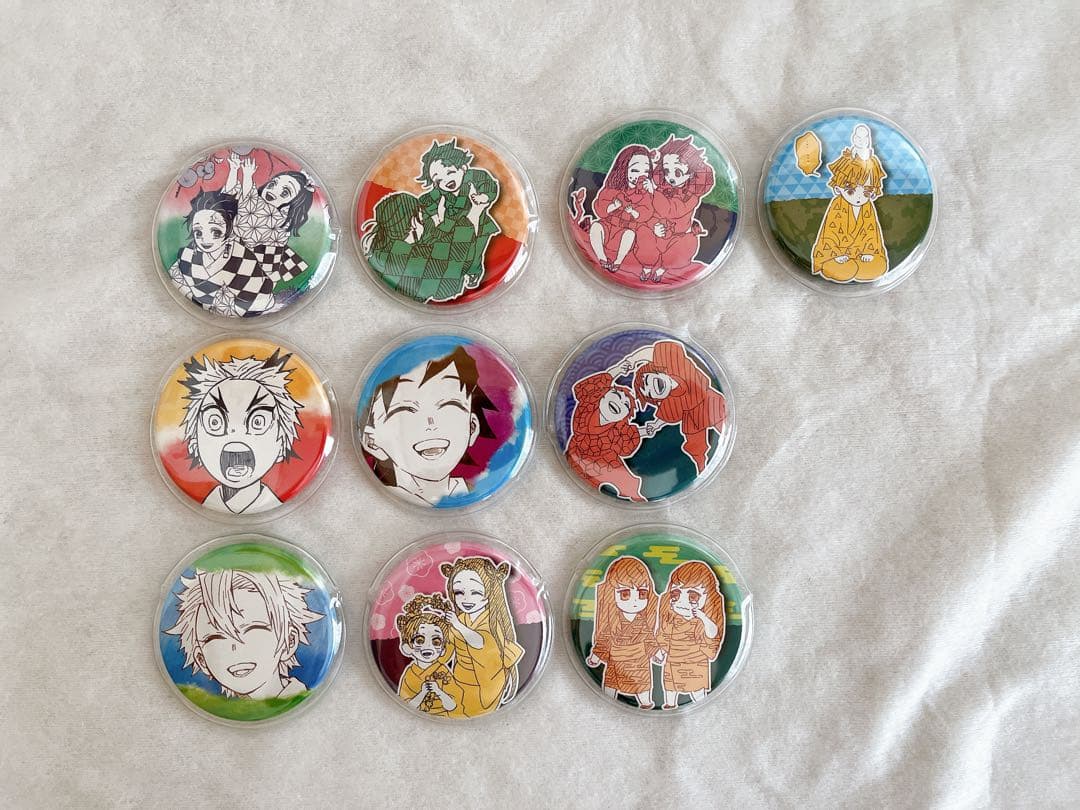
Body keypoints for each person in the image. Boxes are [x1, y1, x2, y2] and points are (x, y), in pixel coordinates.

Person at [359, 347, 497, 506]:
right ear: (372, 441)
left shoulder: (472, 490)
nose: (431, 423)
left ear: (472, 428)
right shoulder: (377, 500)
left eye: (449, 405)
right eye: (406, 409)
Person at [165, 568, 323, 699]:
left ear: (289, 641)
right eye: (216, 637)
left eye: (252, 630)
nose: (235, 648)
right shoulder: (224, 710)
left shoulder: (300, 700)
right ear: (202, 660)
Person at [179, 349, 303, 514]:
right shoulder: (203, 498)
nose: (236, 435)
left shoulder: (274, 499)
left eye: (258, 422)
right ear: (194, 445)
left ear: (282, 445)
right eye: (214, 422)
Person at [424, 556, 523, 717]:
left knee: (467, 713)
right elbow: (449, 647)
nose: (466, 599)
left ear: (490, 591)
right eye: (459, 592)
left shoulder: (491, 621)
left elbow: (480, 643)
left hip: (485, 684)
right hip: (459, 680)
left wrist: (457, 625)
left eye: (476, 592)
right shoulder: (462, 618)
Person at [626, 340, 727, 474]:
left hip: (710, 402)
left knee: (723, 420)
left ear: (656, 369)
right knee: (695, 448)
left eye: (647, 381)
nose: (651, 387)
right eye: (649, 393)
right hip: (692, 420)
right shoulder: (670, 403)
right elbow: (664, 417)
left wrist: (632, 361)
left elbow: (653, 352)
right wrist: (654, 426)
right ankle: (701, 468)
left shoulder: (676, 366)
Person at [565, 360, 656, 502]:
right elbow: (586, 388)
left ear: (624, 417)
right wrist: (618, 369)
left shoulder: (618, 429)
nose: (619, 403)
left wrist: (645, 430)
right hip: (576, 453)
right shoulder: (589, 403)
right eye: (616, 395)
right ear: (602, 394)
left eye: (626, 405)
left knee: (629, 483)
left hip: (606, 461)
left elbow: (628, 438)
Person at [811, 123, 889, 282]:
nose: (859, 197)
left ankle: (858, 265)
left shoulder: (867, 207)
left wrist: (869, 253)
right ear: (838, 188)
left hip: (861, 253)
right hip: (837, 254)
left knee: (878, 266)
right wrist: (837, 255)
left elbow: (871, 233)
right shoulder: (837, 206)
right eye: (851, 191)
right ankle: (841, 265)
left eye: (866, 192)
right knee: (843, 269)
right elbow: (829, 234)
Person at [633, 135, 715, 283]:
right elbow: (650, 210)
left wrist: (654, 192)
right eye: (666, 171)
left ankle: (661, 270)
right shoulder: (663, 187)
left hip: (677, 235)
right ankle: (646, 267)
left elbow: (672, 210)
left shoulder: (690, 196)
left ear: (692, 173)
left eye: (677, 172)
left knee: (685, 244)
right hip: (656, 230)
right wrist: (653, 226)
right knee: (644, 234)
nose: (670, 177)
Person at [587, 556, 661, 709]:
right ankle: (607, 702)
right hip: (617, 663)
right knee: (611, 685)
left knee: (642, 686)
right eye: (625, 594)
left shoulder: (643, 623)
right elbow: (604, 642)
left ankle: (645, 702)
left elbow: (649, 640)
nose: (635, 600)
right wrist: (595, 657)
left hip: (638, 664)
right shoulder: (613, 624)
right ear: (611, 593)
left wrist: (657, 653)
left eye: (642, 594)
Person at [655, 561, 725, 708]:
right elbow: (664, 636)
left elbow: (713, 635)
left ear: (708, 596)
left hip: (696, 663)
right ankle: (669, 705)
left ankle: (702, 705)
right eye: (675, 594)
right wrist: (661, 651)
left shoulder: (702, 620)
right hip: (673, 662)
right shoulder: (672, 619)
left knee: (698, 692)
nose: (682, 602)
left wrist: (703, 617)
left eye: (693, 596)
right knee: (670, 689)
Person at [588, 144, 654, 274]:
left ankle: (618, 261)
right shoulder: (612, 189)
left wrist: (636, 210)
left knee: (630, 234)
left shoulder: (645, 195)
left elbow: (647, 213)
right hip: (607, 227)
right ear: (623, 169)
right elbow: (599, 208)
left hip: (626, 230)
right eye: (635, 170)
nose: (640, 176)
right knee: (595, 227)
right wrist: (612, 206)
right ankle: (602, 258)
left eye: (645, 172)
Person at [395, 593, 463, 717]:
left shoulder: (442, 671)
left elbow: (453, 705)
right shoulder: (409, 674)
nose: (428, 646)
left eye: (436, 642)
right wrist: (422, 693)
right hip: (413, 718)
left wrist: (439, 691)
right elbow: (405, 703)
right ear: (407, 648)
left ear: (443, 650)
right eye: (419, 640)